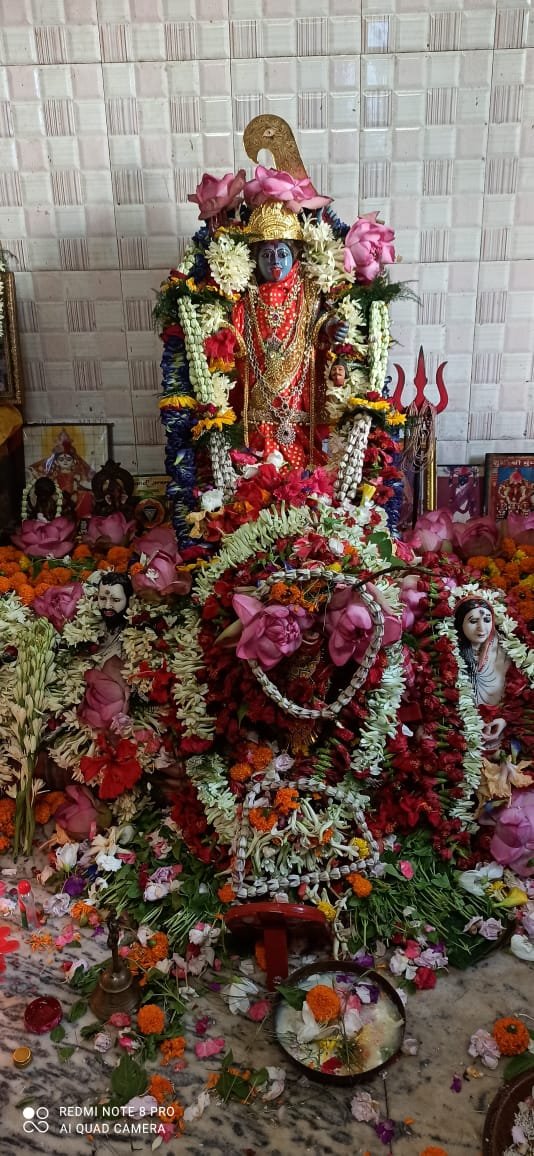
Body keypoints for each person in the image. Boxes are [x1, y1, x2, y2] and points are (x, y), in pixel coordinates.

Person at [231, 202, 347, 470]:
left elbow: (321, 324)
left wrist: (332, 328)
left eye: (282, 254)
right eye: (267, 255)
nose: (275, 262)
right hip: (258, 403)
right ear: (255, 259)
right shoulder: (245, 298)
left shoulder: (309, 292)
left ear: (294, 256)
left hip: (297, 402)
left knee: (301, 471)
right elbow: (232, 341)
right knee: (257, 469)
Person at [95, 571, 133, 664]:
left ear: (129, 600)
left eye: (116, 600)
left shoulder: (135, 632)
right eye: (102, 599)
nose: (107, 606)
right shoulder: (88, 625)